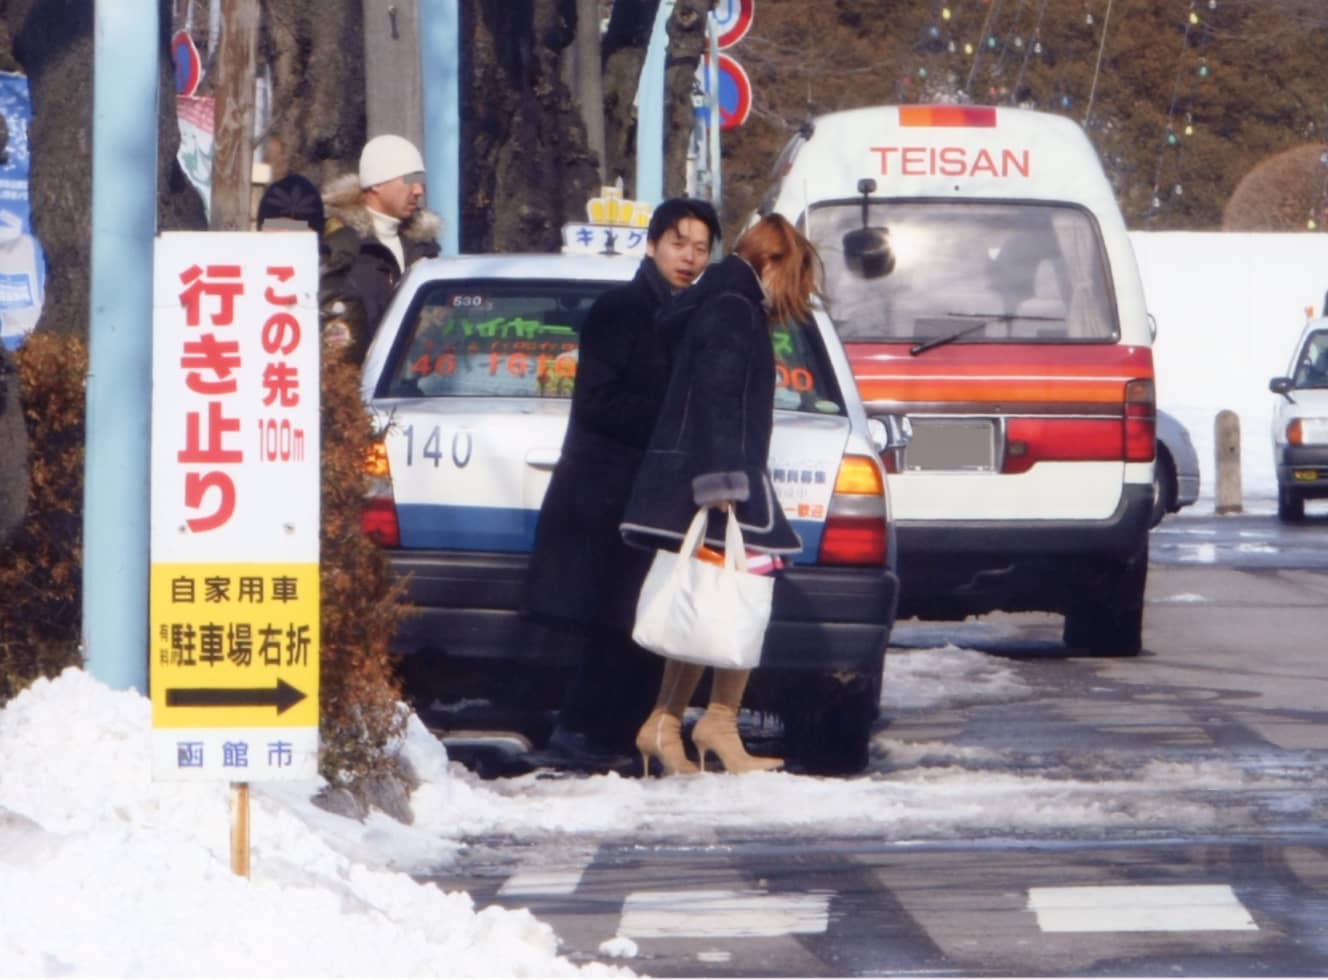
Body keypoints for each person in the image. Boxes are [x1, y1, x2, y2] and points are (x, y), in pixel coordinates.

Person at [523, 197, 722, 768]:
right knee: (609, 623)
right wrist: (676, 416)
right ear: (653, 244)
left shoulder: (701, 317)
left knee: (644, 621)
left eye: (700, 248)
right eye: (678, 243)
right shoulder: (620, 310)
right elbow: (598, 402)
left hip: (659, 495)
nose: (688, 257)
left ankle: (624, 735)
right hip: (605, 494)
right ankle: (586, 737)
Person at [619, 214, 821, 775]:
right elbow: (717, 398)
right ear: (771, 263)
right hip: (724, 480)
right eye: (794, 278)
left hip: (714, 476)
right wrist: (724, 482)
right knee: (748, 581)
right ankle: (715, 723)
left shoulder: (721, 298)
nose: (793, 296)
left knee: (708, 596)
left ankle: (666, 724)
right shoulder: (735, 308)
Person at [321, 134, 441, 362]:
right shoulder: (339, 245)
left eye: (420, 180)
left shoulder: (423, 248)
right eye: (408, 179)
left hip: (412, 383)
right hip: (350, 384)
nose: (418, 190)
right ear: (376, 184)